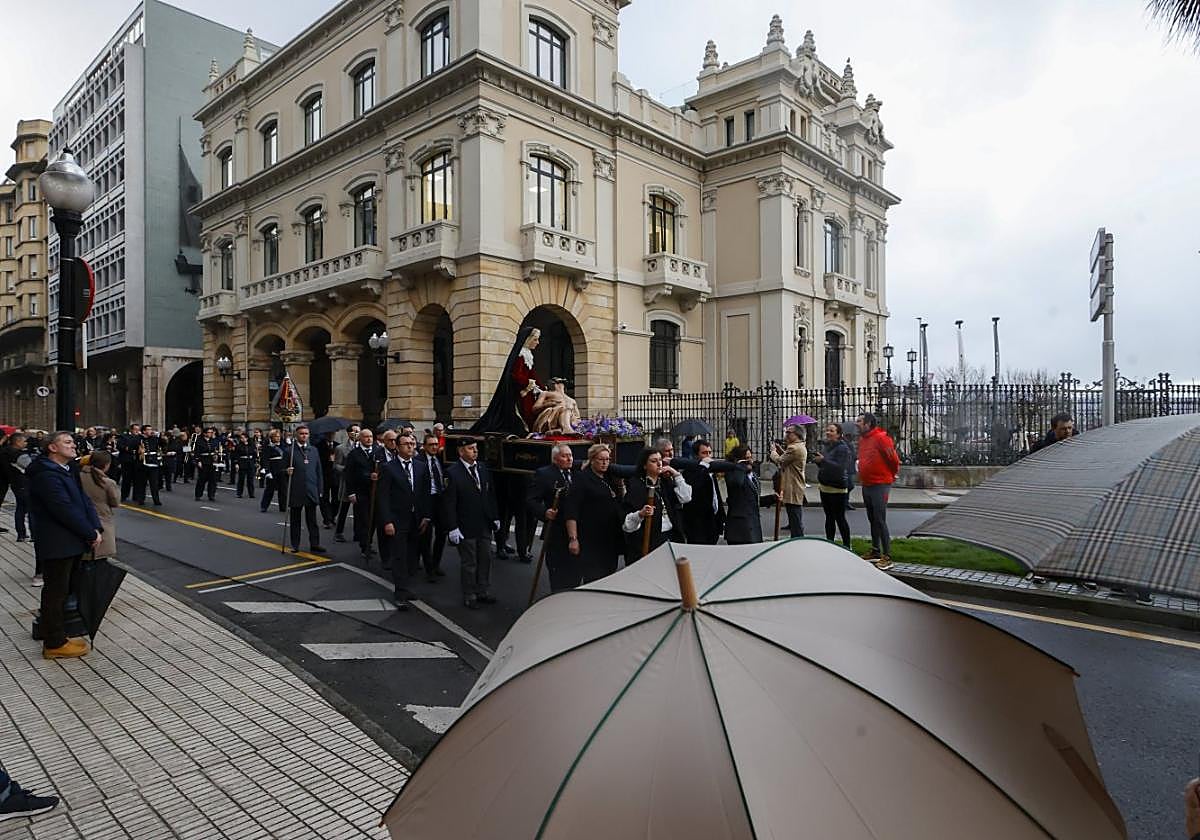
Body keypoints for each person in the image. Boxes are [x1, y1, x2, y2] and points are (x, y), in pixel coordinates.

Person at [27, 431, 102, 659]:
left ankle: (55, 632)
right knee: (56, 592)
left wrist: (95, 526)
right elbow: (63, 509)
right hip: (57, 540)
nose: (73, 445)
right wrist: (89, 532)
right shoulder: (46, 475)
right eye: (67, 442)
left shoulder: (67, 470)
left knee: (63, 589)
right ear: (52, 448)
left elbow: (83, 499)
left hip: (71, 539)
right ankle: (54, 642)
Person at [442, 440, 500, 609]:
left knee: (486, 558)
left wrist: (494, 516)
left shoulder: (482, 468)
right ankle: (469, 594)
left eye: (475, 449)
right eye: (470, 449)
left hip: (484, 522)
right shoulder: (452, 473)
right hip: (465, 524)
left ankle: (483, 590)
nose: (475, 451)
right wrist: (452, 527)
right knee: (470, 562)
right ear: (461, 452)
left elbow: (490, 494)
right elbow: (449, 502)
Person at [377, 433, 431, 610]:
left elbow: (425, 493)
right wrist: (387, 521)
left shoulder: (421, 467)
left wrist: (426, 515)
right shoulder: (388, 468)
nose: (410, 447)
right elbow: (383, 497)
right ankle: (400, 592)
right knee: (399, 556)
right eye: (406, 444)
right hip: (397, 519)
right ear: (398, 447)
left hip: (416, 519)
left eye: (412, 443)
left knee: (412, 556)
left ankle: (408, 587)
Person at [562, 444, 627, 583]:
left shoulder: (609, 478)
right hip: (591, 539)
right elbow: (572, 510)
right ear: (592, 460)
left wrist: (621, 485)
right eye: (601, 459)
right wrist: (573, 539)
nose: (605, 463)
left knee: (609, 574)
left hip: (610, 538)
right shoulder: (582, 479)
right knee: (594, 577)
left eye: (607, 459)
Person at [621, 447, 692, 562]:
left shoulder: (665, 482)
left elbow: (686, 497)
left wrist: (676, 475)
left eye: (660, 460)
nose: (659, 464)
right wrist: (640, 514)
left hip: (670, 537)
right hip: (650, 542)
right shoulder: (637, 487)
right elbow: (627, 525)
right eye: (654, 461)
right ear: (645, 465)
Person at [471, 325, 543, 436]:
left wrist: (541, 386)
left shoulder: (528, 354)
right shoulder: (520, 355)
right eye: (535, 339)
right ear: (527, 339)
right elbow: (515, 375)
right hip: (519, 392)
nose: (537, 342)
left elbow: (532, 373)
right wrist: (529, 383)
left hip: (527, 390)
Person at [527, 443, 578, 592]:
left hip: (575, 529)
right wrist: (544, 512)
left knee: (575, 571)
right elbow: (531, 500)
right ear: (555, 459)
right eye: (564, 456)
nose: (569, 459)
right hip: (555, 530)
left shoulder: (576, 472)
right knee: (558, 571)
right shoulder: (544, 474)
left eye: (570, 455)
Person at [856, 412, 901, 570]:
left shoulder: (881, 438)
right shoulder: (863, 439)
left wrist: (891, 474)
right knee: (872, 518)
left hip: (880, 483)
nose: (857, 424)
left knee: (880, 519)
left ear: (868, 424)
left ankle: (887, 556)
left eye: (860, 421)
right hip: (867, 483)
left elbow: (893, 459)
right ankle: (876, 550)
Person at [283, 425, 327, 555]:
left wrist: (320, 488)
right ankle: (295, 544)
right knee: (295, 520)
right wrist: (286, 471)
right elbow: (280, 470)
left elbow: (318, 471)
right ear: (296, 435)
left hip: (311, 488)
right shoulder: (289, 451)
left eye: (306, 433)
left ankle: (315, 544)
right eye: (301, 433)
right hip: (296, 489)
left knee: (312, 520)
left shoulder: (313, 450)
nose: (304, 436)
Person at [708, 445, 763, 545]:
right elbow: (737, 484)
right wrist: (739, 467)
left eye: (751, 457)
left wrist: (772, 498)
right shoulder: (733, 473)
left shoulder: (752, 475)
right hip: (739, 531)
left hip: (754, 528)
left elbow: (753, 499)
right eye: (746, 459)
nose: (750, 461)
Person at [813, 423, 853, 548]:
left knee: (840, 518)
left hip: (837, 488)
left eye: (831, 430)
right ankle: (830, 543)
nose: (828, 432)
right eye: (827, 430)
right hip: (825, 486)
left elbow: (840, 468)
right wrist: (819, 462)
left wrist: (823, 460)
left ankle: (847, 545)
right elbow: (826, 465)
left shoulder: (842, 448)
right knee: (829, 517)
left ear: (839, 434)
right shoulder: (827, 446)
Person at [678, 440, 725, 545]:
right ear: (696, 455)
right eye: (704, 453)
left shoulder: (710, 471)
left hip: (712, 522)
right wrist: (703, 467)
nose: (708, 456)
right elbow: (694, 492)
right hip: (697, 524)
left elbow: (715, 495)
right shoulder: (689, 472)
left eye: (709, 452)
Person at [344, 428, 381, 561]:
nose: (369, 439)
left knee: (374, 519)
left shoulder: (378, 452)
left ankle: (369, 542)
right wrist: (351, 493)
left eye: (370, 436)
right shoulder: (354, 454)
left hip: (375, 491)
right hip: (361, 491)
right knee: (364, 520)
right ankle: (364, 545)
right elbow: (349, 474)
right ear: (360, 439)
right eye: (366, 437)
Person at [417, 433, 448, 580]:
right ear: (424, 446)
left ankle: (436, 564)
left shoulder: (441, 460)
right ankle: (429, 568)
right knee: (426, 536)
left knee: (442, 533)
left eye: (436, 444)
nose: (434, 447)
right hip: (426, 500)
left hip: (440, 500)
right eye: (431, 445)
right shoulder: (419, 461)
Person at [769, 425, 808, 537]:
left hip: (793, 485)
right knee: (794, 515)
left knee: (795, 516)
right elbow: (789, 459)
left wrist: (773, 452)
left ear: (797, 434)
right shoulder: (798, 446)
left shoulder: (794, 448)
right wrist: (781, 450)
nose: (786, 434)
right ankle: (796, 537)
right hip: (795, 485)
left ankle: (798, 540)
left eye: (788, 432)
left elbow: (780, 461)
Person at [81, 450, 121, 560]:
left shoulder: (77, 477)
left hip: (80, 519)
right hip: (102, 520)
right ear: (106, 465)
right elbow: (115, 502)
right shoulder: (107, 482)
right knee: (99, 558)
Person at [0, 433, 33, 544]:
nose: (26, 443)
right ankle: (34, 534)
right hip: (24, 483)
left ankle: (21, 534)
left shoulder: (3, 451)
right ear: (18, 442)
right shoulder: (19, 454)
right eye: (24, 441)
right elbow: (31, 467)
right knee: (31, 509)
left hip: (13, 483)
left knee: (20, 508)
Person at [332, 424, 360, 542]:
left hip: (359, 482)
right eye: (353, 431)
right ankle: (338, 532)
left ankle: (358, 533)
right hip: (347, 482)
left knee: (359, 511)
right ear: (348, 433)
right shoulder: (341, 448)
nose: (355, 433)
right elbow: (336, 465)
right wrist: (346, 469)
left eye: (358, 431)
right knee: (344, 508)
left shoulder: (362, 447)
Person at [132, 426, 163, 506]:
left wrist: (160, 436)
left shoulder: (154, 438)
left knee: (154, 484)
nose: (150, 431)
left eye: (151, 429)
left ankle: (156, 500)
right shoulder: (138, 439)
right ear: (144, 431)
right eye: (148, 430)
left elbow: (162, 444)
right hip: (142, 464)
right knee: (142, 483)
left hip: (153, 463)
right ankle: (141, 499)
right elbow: (133, 447)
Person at [258, 429, 286, 513]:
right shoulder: (268, 446)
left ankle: (283, 506)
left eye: (279, 436)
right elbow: (265, 459)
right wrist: (267, 471)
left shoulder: (283, 445)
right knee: (270, 489)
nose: (278, 438)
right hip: (273, 468)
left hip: (282, 468)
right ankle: (264, 506)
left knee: (283, 489)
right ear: (271, 437)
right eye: (276, 436)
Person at [192, 427, 220, 502]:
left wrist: (216, 455)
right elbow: (196, 452)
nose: (211, 434)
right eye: (209, 432)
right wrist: (198, 461)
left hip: (211, 461)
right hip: (203, 461)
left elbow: (215, 450)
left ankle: (211, 495)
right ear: (205, 433)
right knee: (202, 479)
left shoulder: (213, 441)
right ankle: (198, 495)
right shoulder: (199, 441)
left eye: (212, 432)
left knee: (212, 480)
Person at [116, 423, 141, 502]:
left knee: (137, 479)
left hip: (136, 460)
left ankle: (136, 496)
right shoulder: (124, 437)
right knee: (126, 479)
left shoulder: (140, 438)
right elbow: (119, 446)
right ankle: (124, 495)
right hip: (127, 460)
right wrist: (126, 448)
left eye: (138, 429)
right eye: (135, 429)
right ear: (131, 430)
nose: (137, 431)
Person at [234, 432, 257, 499]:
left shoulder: (251, 445)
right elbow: (236, 455)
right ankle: (239, 493)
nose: (242, 439)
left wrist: (255, 461)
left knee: (250, 480)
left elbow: (254, 454)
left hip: (250, 462)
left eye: (244, 438)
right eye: (241, 438)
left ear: (247, 438)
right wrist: (236, 463)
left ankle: (251, 493)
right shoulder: (238, 446)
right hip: (242, 463)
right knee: (241, 479)